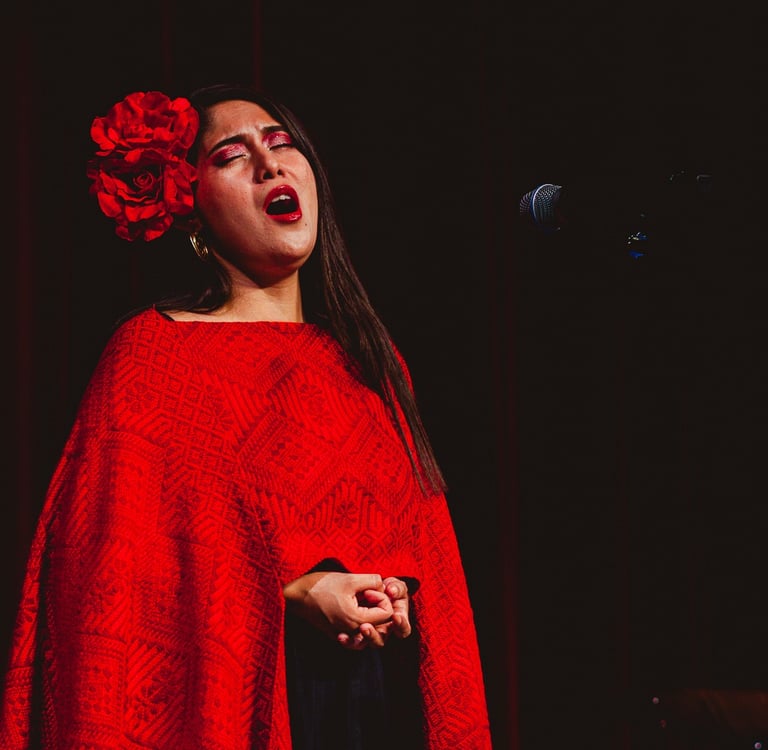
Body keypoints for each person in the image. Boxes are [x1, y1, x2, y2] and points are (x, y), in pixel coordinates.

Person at [0, 83, 492, 749]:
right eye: (232, 156)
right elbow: (117, 592)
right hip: (233, 708)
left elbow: (424, 560)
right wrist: (296, 590)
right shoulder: (155, 357)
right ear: (191, 209)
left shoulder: (371, 364)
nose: (271, 164)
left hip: (370, 711)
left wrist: (397, 602)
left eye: (283, 144)